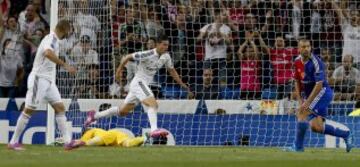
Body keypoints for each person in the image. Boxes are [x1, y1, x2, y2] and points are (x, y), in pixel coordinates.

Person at [85, 34, 193, 138]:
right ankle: (154, 130)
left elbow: (172, 71)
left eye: (167, 45)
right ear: (157, 44)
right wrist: (119, 70)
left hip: (142, 85)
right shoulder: (148, 54)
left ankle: (94, 116)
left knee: (122, 111)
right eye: (164, 44)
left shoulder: (166, 56)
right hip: (138, 83)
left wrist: (183, 85)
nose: (166, 47)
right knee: (153, 104)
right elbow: (128, 57)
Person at [7, 20, 78, 151]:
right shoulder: (51, 38)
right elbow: (47, 53)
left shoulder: (55, 40)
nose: (69, 33)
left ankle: (68, 141)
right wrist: (65, 65)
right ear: (65, 29)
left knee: (60, 107)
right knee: (29, 109)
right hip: (39, 79)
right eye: (69, 31)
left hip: (49, 81)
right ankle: (13, 141)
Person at [284, 39, 353, 152]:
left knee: (302, 112)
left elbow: (319, 85)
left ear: (310, 48)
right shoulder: (297, 61)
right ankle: (346, 134)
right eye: (303, 47)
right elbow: (296, 80)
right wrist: (300, 99)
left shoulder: (316, 62)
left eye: (307, 46)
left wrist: (307, 103)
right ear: (299, 49)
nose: (305, 49)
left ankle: (298, 147)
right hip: (311, 94)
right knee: (316, 127)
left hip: (322, 92)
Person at [71, 128, 148, 148]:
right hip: (116, 134)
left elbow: (81, 141)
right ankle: (143, 138)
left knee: (86, 143)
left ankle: (143, 138)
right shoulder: (98, 130)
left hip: (107, 136)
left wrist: (68, 142)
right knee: (127, 144)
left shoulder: (91, 131)